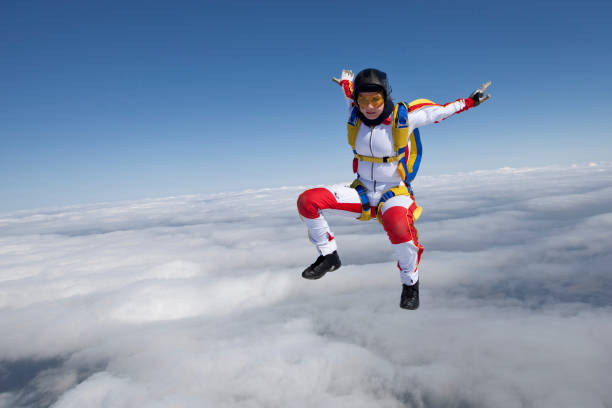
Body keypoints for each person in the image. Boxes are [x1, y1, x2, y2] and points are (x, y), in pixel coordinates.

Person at [296, 68, 491, 310]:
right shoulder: (354, 112)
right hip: (362, 191)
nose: (368, 106)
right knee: (308, 201)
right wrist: (346, 82)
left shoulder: (405, 118)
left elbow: (440, 112)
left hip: (395, 192)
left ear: (385, 96)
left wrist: (471, 101)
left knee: (400, 227)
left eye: (375, 99)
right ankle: (329, 256)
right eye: (363, 100)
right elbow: (348, 94)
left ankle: (410, 284)